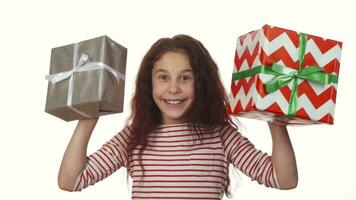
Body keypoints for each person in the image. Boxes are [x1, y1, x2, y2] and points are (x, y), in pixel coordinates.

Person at [57, 34, 298, 199]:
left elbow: (283, 179)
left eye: (185, 77)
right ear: (148, 83)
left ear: (201, 82)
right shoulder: (134, 136)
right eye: (163, 77)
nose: (173, 89)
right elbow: (70, 180)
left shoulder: (221, 135)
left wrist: (273, 116)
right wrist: (88, 116)